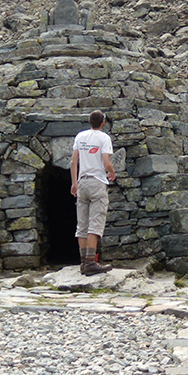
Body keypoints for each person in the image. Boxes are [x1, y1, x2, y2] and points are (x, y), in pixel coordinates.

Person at [70, 110, 116, 276]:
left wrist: (74, 183)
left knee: (82, 224)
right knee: (95, 223)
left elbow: (74, 161)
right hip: (97, 182)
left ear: (89, 121)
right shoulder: (103, 138)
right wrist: (112, 171)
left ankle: (83, 262)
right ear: (103, 122)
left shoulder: (80, 136)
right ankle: (91, 262)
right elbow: (105, 162)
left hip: (82, 181)